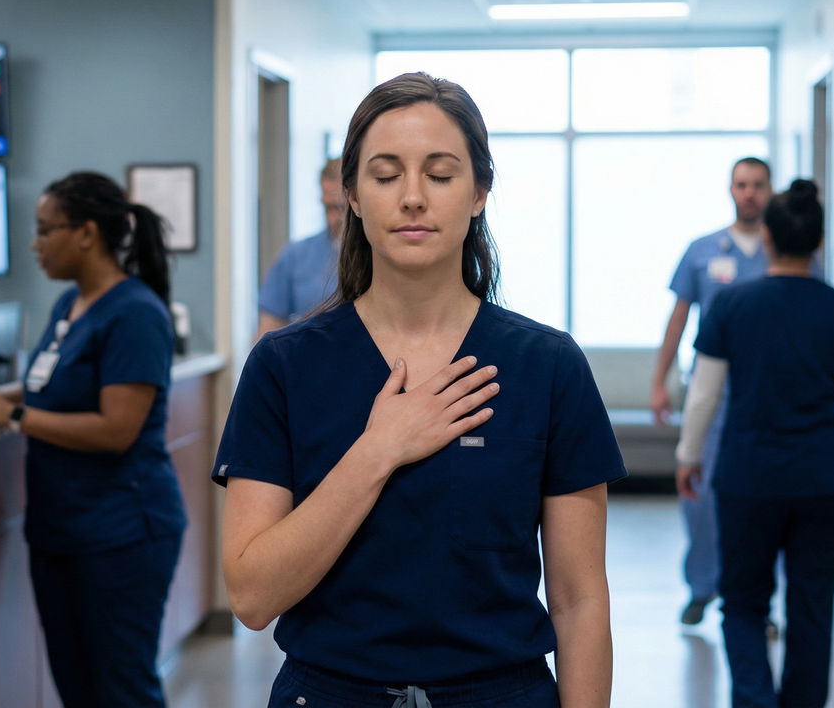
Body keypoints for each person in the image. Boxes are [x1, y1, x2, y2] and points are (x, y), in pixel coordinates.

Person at [215, 73, 625, 708]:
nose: (412, 197)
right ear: (352, 196)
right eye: (385, 176)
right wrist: (379, 449)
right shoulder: (284, 366)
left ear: (479, 192)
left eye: (439, 174)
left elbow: (579, 600)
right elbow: (251, 595)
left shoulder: (547, 365)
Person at [0, 171, 184, 708]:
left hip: (122, 533)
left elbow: (116, 430)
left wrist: (10, 415)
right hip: (61, 531)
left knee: (122, 690)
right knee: (76, 688)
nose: (35, 244)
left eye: (44, 230)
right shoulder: (68, 306)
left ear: (86, 234)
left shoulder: (135, 313)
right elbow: (51, 385)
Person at [676, 179, 834, 708]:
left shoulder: (732, 304)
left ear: (768, 237)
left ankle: (754, 700)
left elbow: (704, 394)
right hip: (825, 479)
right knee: (812, 606)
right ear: (819, 243)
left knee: (743, 603)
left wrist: (688, 457)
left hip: (748, 477)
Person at [654, 156, 795, 626]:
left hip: (769, 396)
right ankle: (702, 587)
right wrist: (659, 381)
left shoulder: (787, 253)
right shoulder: (701, 251)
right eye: (741, 184)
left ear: (770, 191)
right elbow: (678, 319)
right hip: (710, 397)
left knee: (766, 500)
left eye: (758, 185)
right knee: (700, 493)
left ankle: (759, 602)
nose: (749, 193)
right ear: (730, 190)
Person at [255, 157, 346, 337]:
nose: (334, 219)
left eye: (342, 208)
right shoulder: (295, 256)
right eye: (328, 208)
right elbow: (268, 328)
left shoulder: (381, 257)